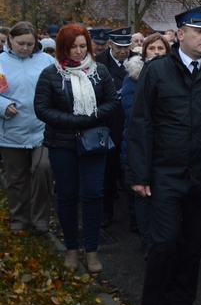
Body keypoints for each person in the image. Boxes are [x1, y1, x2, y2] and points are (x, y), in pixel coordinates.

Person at [127, 5, 201, 305]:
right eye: (199, 31)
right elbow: (141, 123)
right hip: (164, 174)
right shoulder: (157, 71)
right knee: (164, 242)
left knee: (192, 246)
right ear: (180, 34)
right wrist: (140, 175)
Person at [34, 24, 119, 273]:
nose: (79, 52)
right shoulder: (51, 74)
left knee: (93, 194)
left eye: (83, 46)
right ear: (63, 47)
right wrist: (74, 121)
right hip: (62, 144)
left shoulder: (99, 71)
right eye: (74, 47)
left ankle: (92, 250)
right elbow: (42, 108)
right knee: (68, 196)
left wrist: (90, 117)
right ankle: (72, 248)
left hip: (93, 142)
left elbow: (112, 101)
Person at [0, 22, 55, 234]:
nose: (25, 48)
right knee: (16, 179)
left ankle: (40, 220)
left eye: (30, 44)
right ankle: (19, 219)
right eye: (21, 43)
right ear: (10, 40)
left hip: (43, 130)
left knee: (43, 170)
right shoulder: (1, 62)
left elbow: (58, 88)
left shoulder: (47, 61)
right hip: (10, 131)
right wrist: (4, 106)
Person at [120, 33, 171, 257]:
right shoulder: (133, 77)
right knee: (142, 194)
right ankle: (147, 241)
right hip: (139, 143)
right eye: (152, 49)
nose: (157, 53)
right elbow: (133, 113)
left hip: (164, 146)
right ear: (144, 52)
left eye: (161, 49)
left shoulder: (172, 76)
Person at [97, 27, 134, 229]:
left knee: (130, 174)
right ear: (111, 44)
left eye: (126, 47)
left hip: (129, 123)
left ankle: (134, 217)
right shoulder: (100, 62)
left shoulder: (137, 61)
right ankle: (106, 212)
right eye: (119, 47)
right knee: (108, 174)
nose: (123, 51)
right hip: (108, 124)